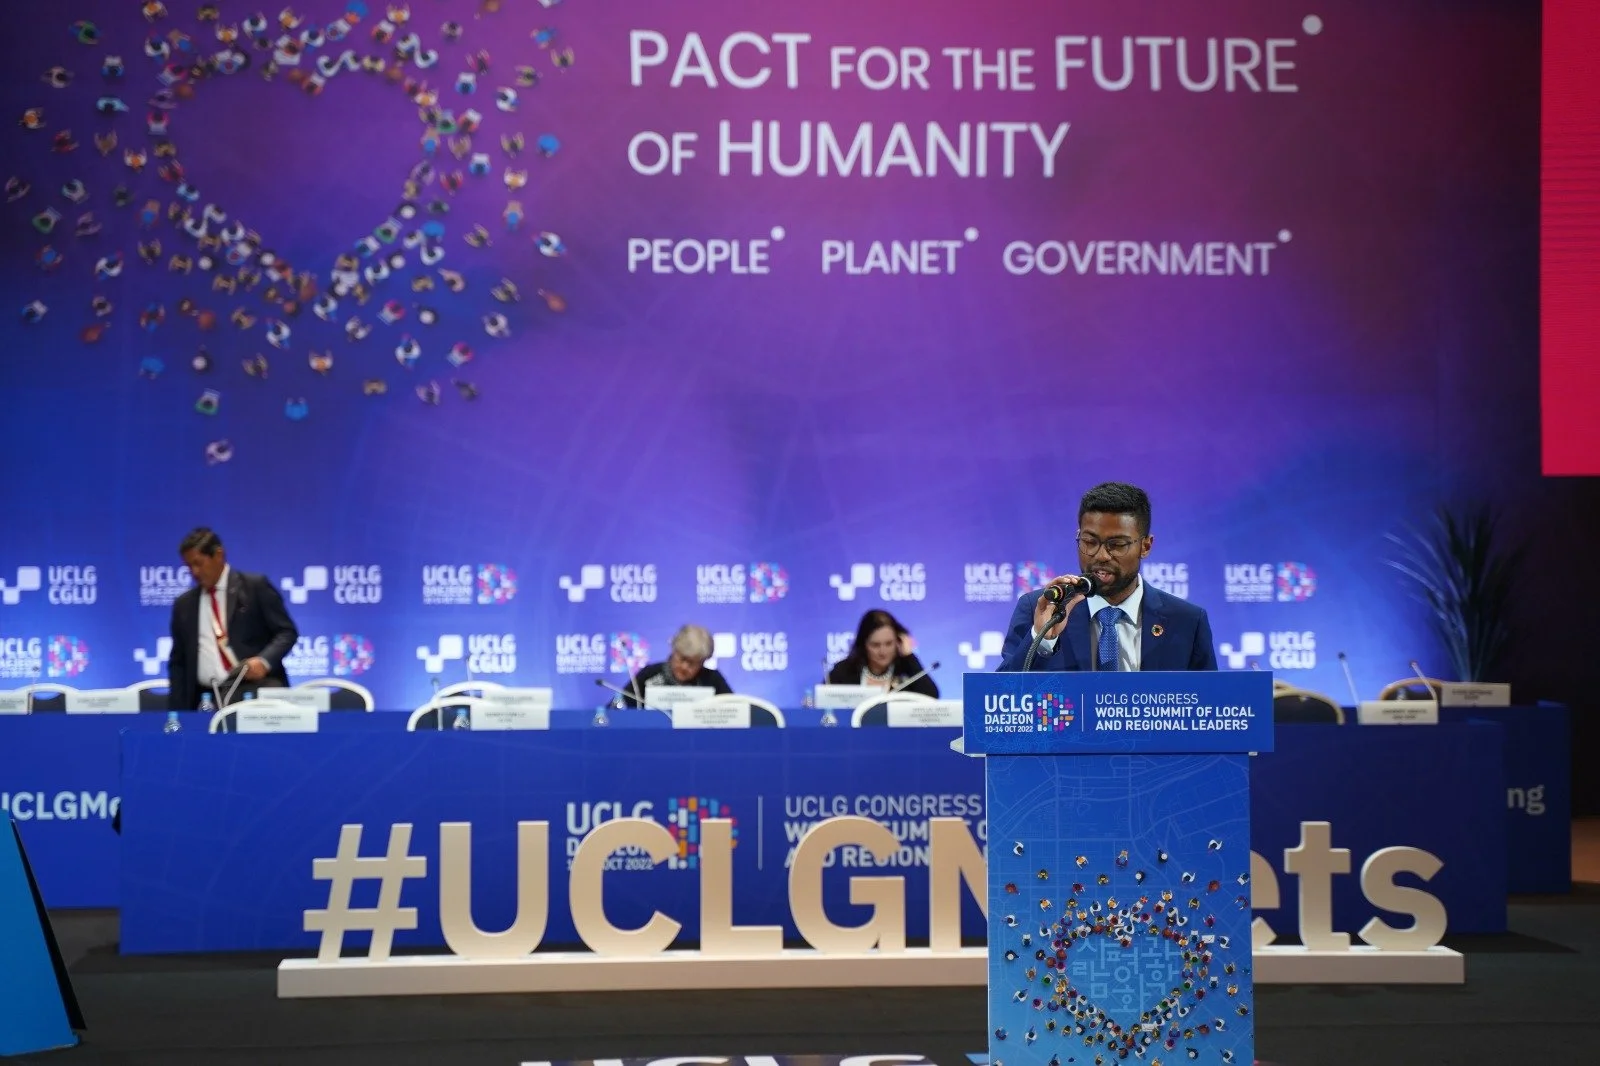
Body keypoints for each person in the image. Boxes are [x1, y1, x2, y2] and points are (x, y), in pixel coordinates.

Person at [998, 482, 1217, 672]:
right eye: (1089, 542)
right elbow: (999, 700)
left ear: (1146, 546)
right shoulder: (1042, 609)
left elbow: (1209, 708)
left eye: (1117, 545)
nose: (1101, 555)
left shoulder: (1187, 622)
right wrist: (1044, 639)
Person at [166, 527, 299, 709]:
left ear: (218, 555)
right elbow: (178, 663)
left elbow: (286, 632)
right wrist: (177, 712)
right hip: (205, 700)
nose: (194, 572)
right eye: (189, 566)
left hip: (254, 693)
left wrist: (264, 661)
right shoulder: (184, 605)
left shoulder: (254, 587)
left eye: (199, 563)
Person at [828, 609, 939, 696]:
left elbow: (931, 697)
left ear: (898, 642)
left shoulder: (907, 672)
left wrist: (909, 657)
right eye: (875, 645)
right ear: (863, 644)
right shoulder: (844, 671)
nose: (883, 651)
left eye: (889, 643)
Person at [618, 624, 734, 707]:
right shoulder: (649, 675)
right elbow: (615, 710)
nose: (685, 667)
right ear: (674, 650)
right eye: (682, 658)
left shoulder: (712, 680)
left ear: (703, 662)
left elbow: (736, 713)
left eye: (693, 663)